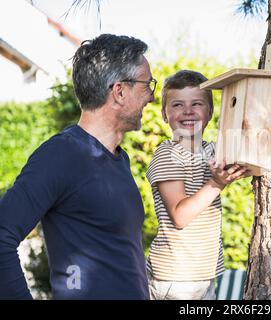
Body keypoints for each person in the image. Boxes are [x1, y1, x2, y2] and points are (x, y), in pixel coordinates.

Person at [0, 34, 155, 300]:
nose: (152, 96)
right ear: (119, 92)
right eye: (147, 84)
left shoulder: (120, 159)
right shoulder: (62, 155)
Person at [146, 70, 250, 300]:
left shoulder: (212, 150)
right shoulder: (167, 154)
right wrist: (217, 183)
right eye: (177, 105)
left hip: (204, 274)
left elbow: (249, 155)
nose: (188, 111)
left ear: (210, 112)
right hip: (175, 278)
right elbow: (180, 216)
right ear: (164, 114)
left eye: (197, 103)